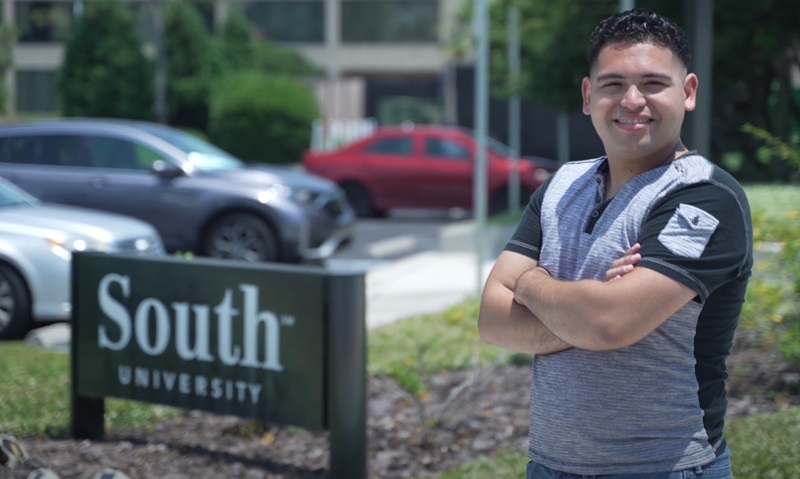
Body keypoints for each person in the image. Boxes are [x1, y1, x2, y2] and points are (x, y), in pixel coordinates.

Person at [478, 8, 753, 478]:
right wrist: (584, 308)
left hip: (666, 467)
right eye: (612, 85)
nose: (632, 100)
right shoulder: (561, 186)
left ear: (687, 92)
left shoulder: (704, 198)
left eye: (652, 84)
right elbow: (491, 321)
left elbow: (609, 323)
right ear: (588, 96)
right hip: (548, 465)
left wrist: (528, 284)